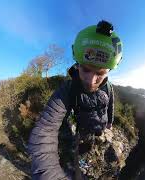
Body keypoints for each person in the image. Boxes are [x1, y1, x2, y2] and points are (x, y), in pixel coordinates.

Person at [28, 20, 123, 180]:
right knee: (83, 147)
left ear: (108, 71)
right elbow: (45, 130)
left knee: (94, 141)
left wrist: (110, 122)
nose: (92, 80)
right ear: (77, 65)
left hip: (100, 126)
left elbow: (110, 105)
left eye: (100, 73)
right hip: (83, 128)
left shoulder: (109, 88)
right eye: (86, 69)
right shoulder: (68, 90)